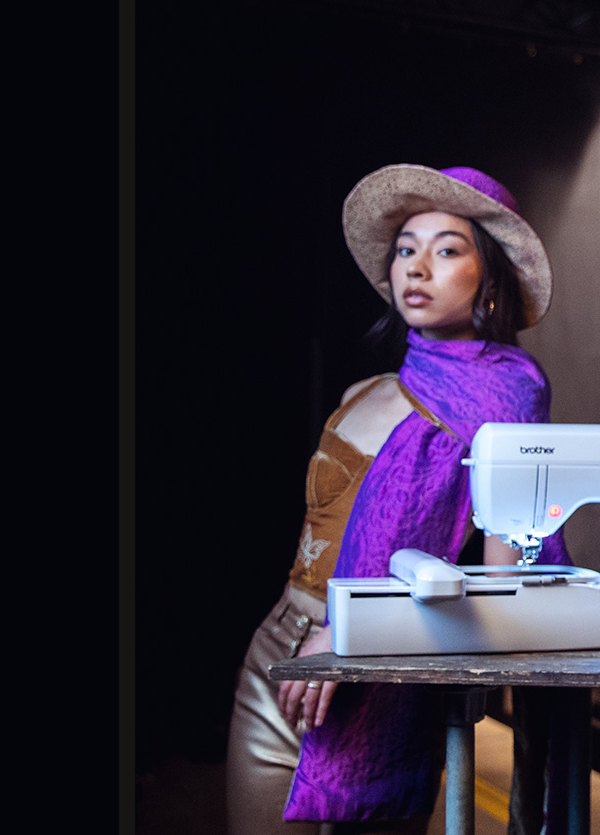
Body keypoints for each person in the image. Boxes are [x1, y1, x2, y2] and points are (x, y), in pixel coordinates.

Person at [224, 164, 569, 834]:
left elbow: (509, 580)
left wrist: (364, 628)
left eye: (446, 249)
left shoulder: (508, 396)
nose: (417, 266)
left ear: (489, 278)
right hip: (279, 650)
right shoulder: (366, 391)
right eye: (406, 249)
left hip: (373, 667)